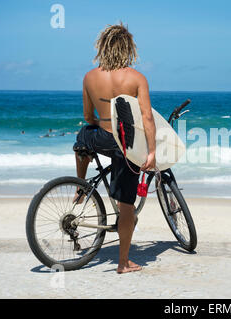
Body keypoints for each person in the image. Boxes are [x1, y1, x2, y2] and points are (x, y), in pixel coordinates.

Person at [73, 23, 156, 274]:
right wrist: (151, 151)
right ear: (128, 48)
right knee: (127, 205)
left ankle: (80, 184)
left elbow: (89, 117)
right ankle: (123, 262)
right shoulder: (136, 78)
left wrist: (102, 125)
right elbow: (147, 117)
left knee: (83, 136)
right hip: (124, 144)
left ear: (103, 47)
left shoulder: (89, 77)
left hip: (101, 139)